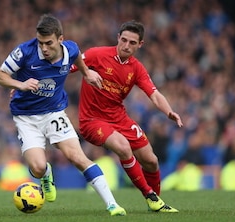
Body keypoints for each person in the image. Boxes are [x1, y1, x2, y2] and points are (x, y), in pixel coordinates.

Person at [0, 14, 126, 216]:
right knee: (37, 167)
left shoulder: (70, 49)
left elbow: (77, 56)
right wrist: (20, 84)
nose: (44, 48)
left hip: (54, 113)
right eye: (40, 43)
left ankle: (112, 204)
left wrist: (87, 73)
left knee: (78, 157)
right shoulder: (24, 52)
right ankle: (46, 175)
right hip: (26, 117)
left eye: (48, 43)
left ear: (60, 39)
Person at [72, 20, 183, 212]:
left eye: (132, 42)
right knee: (123, 147)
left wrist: (169, 111)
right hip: (92, 120)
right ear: (118, 38)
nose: (126, 45)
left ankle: (156, 203)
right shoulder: (96, 54)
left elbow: (154, 94)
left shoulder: (136, 68)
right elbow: (64, 68)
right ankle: (150, 196)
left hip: (119, 118)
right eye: (124, 40)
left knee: (151, 160)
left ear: (140, 44)